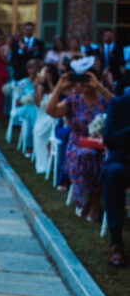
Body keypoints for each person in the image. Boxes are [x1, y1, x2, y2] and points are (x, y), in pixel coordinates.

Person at [46, 58, 114, 221]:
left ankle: (90, 199)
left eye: (87, 78)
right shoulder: (74, 101)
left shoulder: (104, 98)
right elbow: (51, 111)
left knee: (92, 156)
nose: (83, 84)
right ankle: (94, 199)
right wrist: (59, 87)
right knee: (84, 155)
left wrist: (98, 86)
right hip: (77, 144)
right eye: (80, 79)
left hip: (104, 147)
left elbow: (119, 107)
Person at [102, 92, 130, 267]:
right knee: (114, 174)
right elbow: (109, 139)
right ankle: (116, 243)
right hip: (123, 161)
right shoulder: (118, 104)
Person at [32, 64, 59, 173]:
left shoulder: (57, 86)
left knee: (53, 122)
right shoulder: (39, 87)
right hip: (42, 117)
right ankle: (42, 164)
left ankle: (51, 162)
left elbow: (55, 100)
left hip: (54, 117)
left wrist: (49, 82)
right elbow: (37, 104)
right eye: (43, 72)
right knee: (39, 130)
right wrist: (35, 87)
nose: (44, 74)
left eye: (47, 72)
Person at [14, 59, 42, 155]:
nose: (33, 71)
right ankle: (30, 146)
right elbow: (17, 102)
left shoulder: (41, 84)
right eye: (30, 68)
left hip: (39, 108)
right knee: (31, 111)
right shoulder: (22, 83)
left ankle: (35, 145)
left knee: (33, 111)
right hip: (24, 109)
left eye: (35, 68)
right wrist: (25, 100)